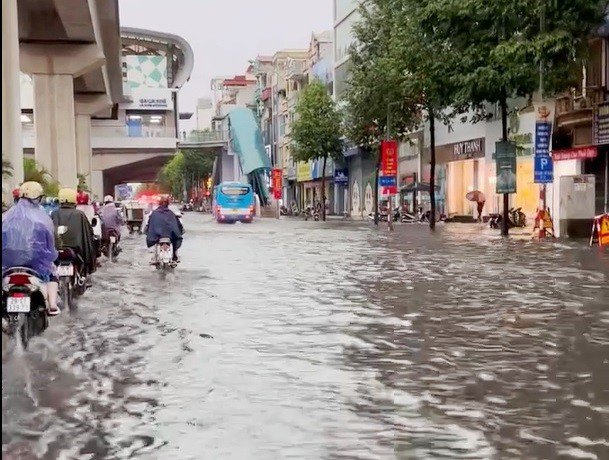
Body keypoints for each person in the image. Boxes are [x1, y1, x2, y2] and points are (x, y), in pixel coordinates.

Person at [2, 182, 60, 315]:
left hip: (8, 267)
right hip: (35, 266)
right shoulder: (43, 219)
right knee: (53, 274)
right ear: (37, 198)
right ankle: (52, 305)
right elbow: (50, 249)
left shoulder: (6, 218)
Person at [51, 188, 97, 276]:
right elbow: (88, 232)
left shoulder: (54, 213)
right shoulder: (80, 214)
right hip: (76, 250)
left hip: (57, 250)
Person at [145, 196, 184, 261]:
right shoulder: (171, 213)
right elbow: (178, 225)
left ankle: (173, 255)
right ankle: (174, 255)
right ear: (167, 204)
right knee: (175, 239)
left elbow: (149, 224)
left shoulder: (154, 213)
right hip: (170, 235)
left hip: (157, 236)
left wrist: (149, 230)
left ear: (159, 203)